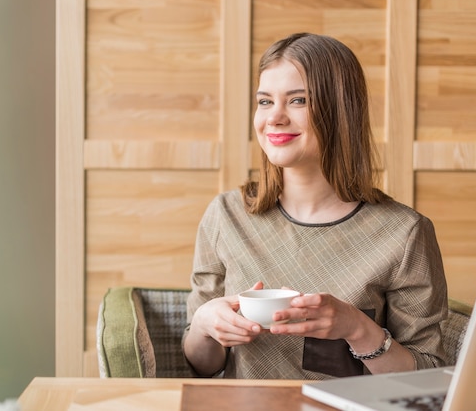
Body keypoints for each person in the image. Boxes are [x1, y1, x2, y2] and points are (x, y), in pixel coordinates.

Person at [182, 32, 448, 380]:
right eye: (265, 102)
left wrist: (358, 329)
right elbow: (201, 365)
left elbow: (430, 374)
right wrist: (203, 326)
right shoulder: (226, 215)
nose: (274, 118)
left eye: (298, 100)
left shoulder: (404, 233)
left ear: (341, 111)